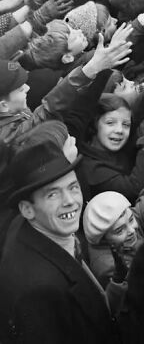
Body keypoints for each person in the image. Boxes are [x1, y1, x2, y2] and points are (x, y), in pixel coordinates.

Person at [0, 143, 119, 343]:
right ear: (27, 209)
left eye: (73, 187)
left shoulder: (41, 227)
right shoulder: (39, 292)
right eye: (52, 194)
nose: (70, 201)